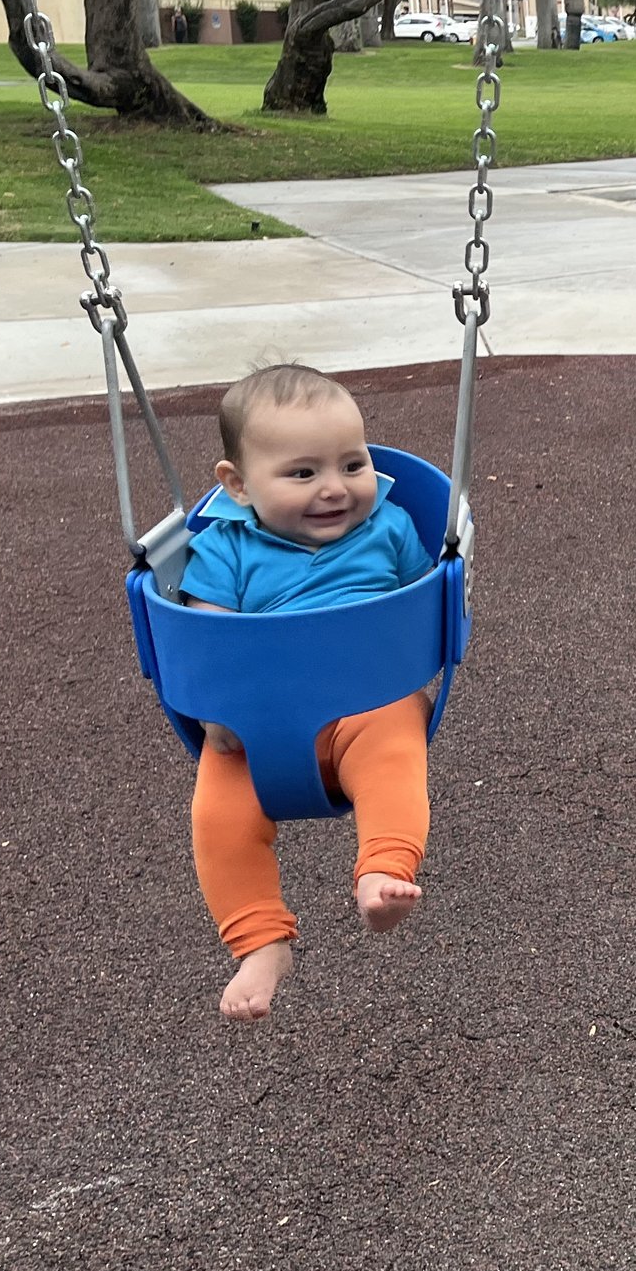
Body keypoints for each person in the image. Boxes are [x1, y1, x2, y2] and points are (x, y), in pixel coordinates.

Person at [178, 365, 439, 1021]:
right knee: (218, 817)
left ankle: (382, 870)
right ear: (237, 485)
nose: (335, 488)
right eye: (302, 473)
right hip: (254, 725)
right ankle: (260, 941)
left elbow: (422, 601)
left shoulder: (391, 528)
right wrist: (216, 709)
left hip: (367, 703)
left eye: (352, 463)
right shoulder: (225, 550)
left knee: (394, 755)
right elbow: (204, 634)